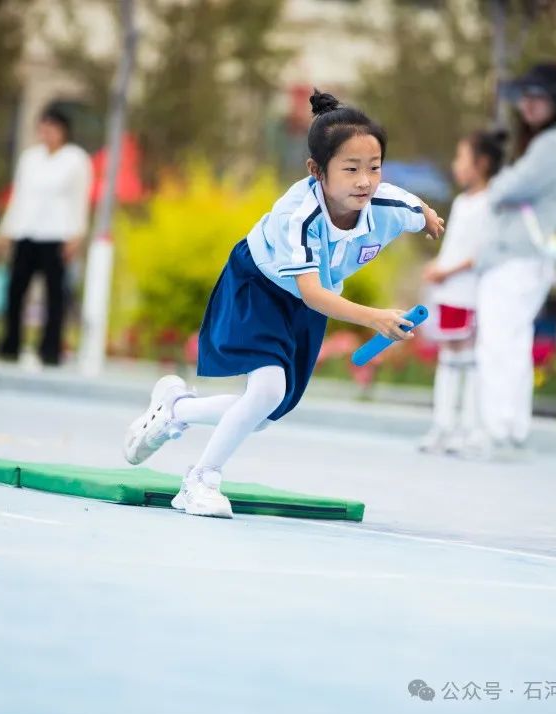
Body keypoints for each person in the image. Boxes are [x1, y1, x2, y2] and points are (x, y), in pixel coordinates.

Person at [123, 89, 445, 518]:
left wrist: (429, 219)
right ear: (317, 171)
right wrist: (376, 319)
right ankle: (200, 480)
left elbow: (417, 207)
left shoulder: (386, 202)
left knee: (264, 413)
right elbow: (312, 293)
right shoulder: (299, 216)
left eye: (374, 167)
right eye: (350, 169)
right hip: (260, 286)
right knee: (268, 388)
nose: (365, 180)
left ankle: (176, 410)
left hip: (310, 299)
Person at [464, 62, 556, 458]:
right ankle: (510, 428)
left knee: (498, 343)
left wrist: (499, 182)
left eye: (539, 97)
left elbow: (503, 189)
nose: (529, 104)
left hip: (514, 259)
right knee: (512, 344)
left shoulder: (552, 144)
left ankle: (496, 429)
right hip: (527, 259)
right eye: (526, 96)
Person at [418, 129, 506, 454]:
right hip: (448, 292)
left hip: (467, 292)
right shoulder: (461, 202)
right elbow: (455, 246)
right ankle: (443, 426)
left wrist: (446, 270)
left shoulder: (488, 203)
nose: (457, 165)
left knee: (467, 359)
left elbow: (480, 253)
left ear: (481, 163)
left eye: (462, 158)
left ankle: (467, 428)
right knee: (449, 358)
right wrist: (437, 268)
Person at [0, 104, 92, 367]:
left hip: (57, 233)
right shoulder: (30, 158)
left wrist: (77, 235)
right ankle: (10, 345)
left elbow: (80, 198)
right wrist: (6, 231)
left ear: (63, 131)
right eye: (43, 127)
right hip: (26, 231)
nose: (47, 133)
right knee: (15, 290)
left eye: (52, 128)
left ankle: (49, 350)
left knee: (55, 295)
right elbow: (19, 197)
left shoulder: (76, 159)